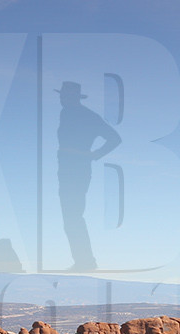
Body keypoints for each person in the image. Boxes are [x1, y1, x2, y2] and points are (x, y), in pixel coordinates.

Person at [55, 81, 121, 272]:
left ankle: (85, 262)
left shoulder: (87, 116)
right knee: (70, 217)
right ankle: (83, 261)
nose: (61, 99)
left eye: (65, 96)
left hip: (77, 170)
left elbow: (115, 138)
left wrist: (94, 155)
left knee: (73, 216)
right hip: (66, 169)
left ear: (73, 97)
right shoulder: (65, 113)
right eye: (61, 96)